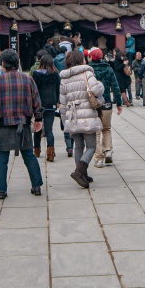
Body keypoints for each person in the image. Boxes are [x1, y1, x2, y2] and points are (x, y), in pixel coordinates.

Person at [0, 49, 43, 200]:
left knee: (2, 158)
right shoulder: (28, 79)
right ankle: (36, 186)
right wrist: (38, 119)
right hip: (22, 123)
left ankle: (1, 191)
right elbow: (37, 102)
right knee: (29, 155)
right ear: (17, 63)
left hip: (4, 123)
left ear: (3, 64)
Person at [60, 50, 104, 187]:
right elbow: (96, 90)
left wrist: (64, 121)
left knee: (78, 146)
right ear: (81, 60)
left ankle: (83, 174)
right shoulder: (87, 73)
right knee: (91, 146)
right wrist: (101, 85)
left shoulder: (64, 78)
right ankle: (79, 171)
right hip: (87, 114)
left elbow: (62, 103)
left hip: (72, 116)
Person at [87, 49, 122, 168]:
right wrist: (119, 103)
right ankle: (108, 150)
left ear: (91, 58)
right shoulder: (108, 69)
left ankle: (98, 159)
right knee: (106, 129)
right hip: (106, 103)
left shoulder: (88, 71)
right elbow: (115, 86)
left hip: (93, 105)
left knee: (96, 132)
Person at [32, 54, 61, 162]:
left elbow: (34, 90)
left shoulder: (36, 74)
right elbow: (58, 89)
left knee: (38, 128)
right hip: (51, 104)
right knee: (49, 129)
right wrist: (58, 101)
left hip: (39, 105)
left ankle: (37, 151)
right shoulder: (55, 74)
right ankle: (50, 153)